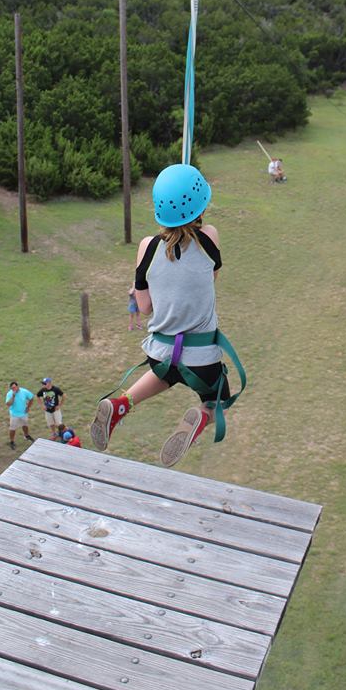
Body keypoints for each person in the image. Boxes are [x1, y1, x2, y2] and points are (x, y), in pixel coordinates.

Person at [90, 163, 231, 468]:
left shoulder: (147, 247)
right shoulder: (210, 237)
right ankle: (201, 416)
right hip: (202, 356)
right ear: (201, 205)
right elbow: (211, 277)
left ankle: (121, 404)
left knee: (166, 373)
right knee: (217, 399)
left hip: (162, 352)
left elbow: (144, 307)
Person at [5, 380, 34, 450]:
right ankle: (12, 441)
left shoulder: (24, 391)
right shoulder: (9, 394)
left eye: (15, 387)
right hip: (14, 415)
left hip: (24, 413)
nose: (14, 389)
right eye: (12, 388)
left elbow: (31, 397)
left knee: (25, 425)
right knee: (12, 429)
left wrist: (28, 407)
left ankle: (26, 435)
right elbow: (8, 404)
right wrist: (13, 396)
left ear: (18, 386)